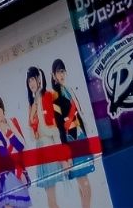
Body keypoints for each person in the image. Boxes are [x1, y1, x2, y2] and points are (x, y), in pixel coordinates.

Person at [48, 59, 95, 208]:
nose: (61, 74)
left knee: (84, 186)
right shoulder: (54, 97)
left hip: (80, 137)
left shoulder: (69, 90)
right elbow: (60, 128)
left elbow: (79, 117)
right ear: (53, 75)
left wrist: (86, 139)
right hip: (71, 141)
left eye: (62, 71)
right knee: (85, 186)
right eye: (58, 71)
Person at [25, 66, 64, 208]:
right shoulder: (32, 103)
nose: (31, 84)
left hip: (49, 145)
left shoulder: (47, 95)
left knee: (51, 194)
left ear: (39, 79)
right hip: (40, 147)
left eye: (33, 80)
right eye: (29, 82)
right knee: (49, 193)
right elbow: (32, 135)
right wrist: (32, 112)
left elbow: (54, 126)